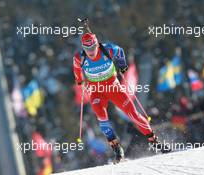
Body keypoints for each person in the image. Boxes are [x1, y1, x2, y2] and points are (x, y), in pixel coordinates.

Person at [73, 32, 170, 162]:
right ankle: (117, 148)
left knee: (133, 114)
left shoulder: (108, 49)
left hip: (113, 87)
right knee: (102, 117)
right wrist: (79, 80)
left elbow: (120, 51)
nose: (90, 51)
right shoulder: (80, 57)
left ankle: (154, 141)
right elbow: (76, 67)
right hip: (96, 91)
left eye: (92, 48)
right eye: (87, 49)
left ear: (97, 44)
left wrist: (122, 65)